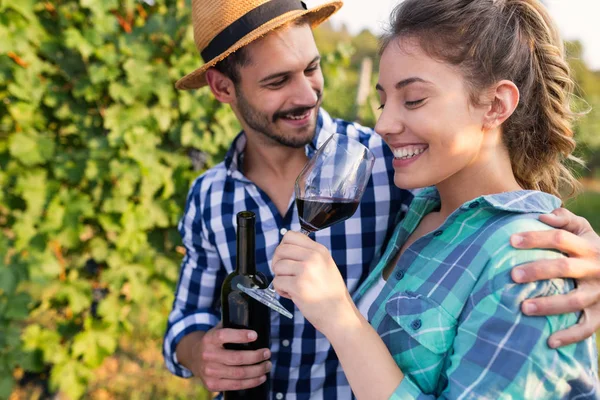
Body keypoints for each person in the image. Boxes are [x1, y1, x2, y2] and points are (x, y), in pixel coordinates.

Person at [163, 0, 600, 399]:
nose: (306, 94)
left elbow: (499, 217)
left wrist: (582, 252)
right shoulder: (421, 203)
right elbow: (183, 320)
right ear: (223, 88)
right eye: (277, 81)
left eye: (311, 69)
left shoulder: (384, 167)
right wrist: (200, 352)